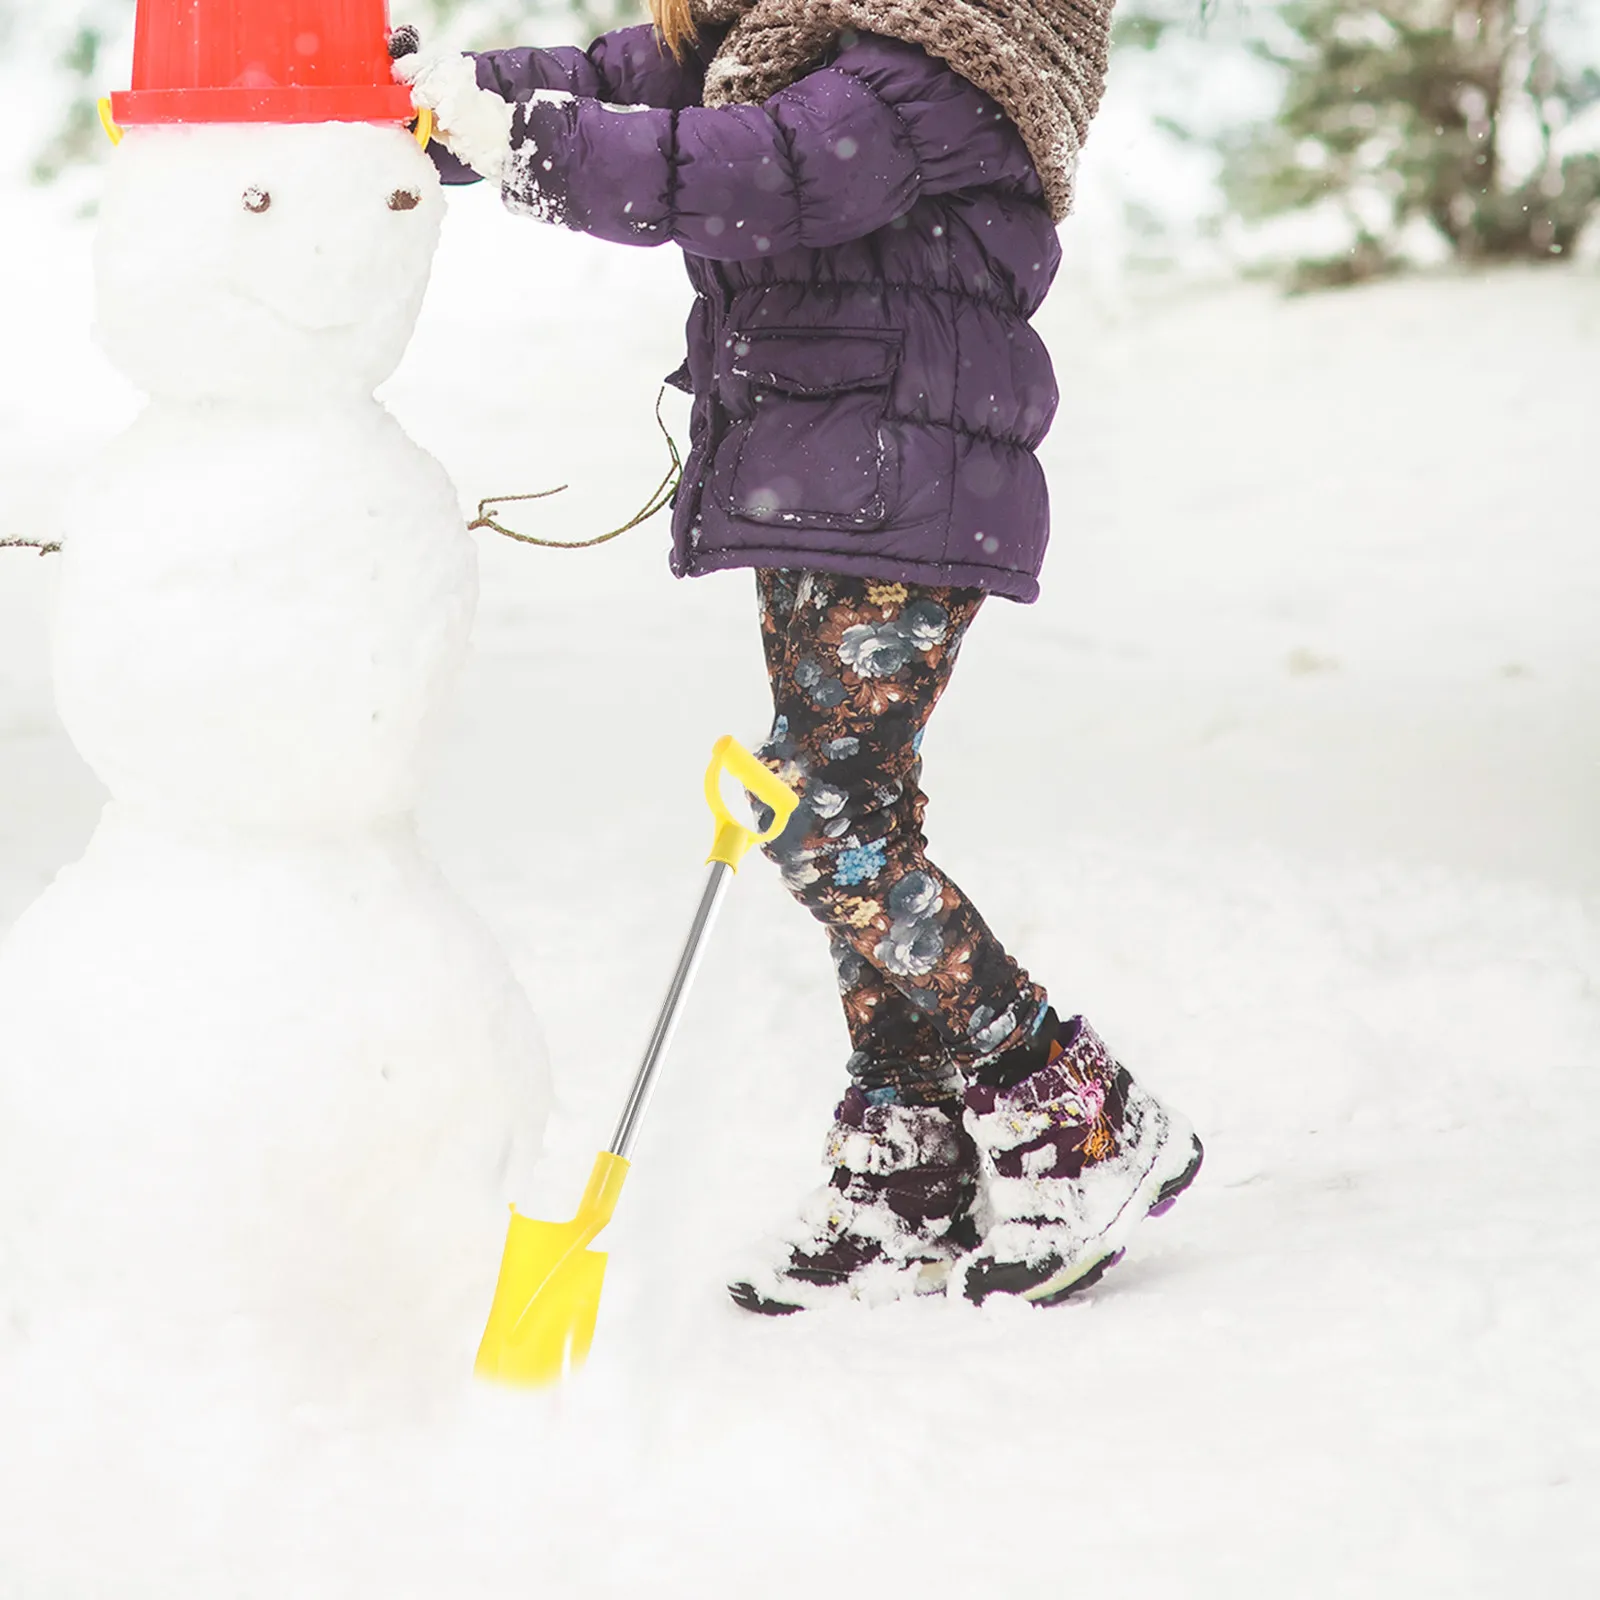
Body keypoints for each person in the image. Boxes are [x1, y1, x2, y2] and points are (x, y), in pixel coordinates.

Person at [394, 0, 1202, 1314]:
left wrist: (519, 141)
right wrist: (421, 99)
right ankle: (906, 1168)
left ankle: (1074, 1106)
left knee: (826, 824)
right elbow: (618, 76)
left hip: (903, 466)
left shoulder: (950, 44)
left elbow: (766, 173)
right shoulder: (785, 21)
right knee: (855, 813)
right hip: (827, 460)